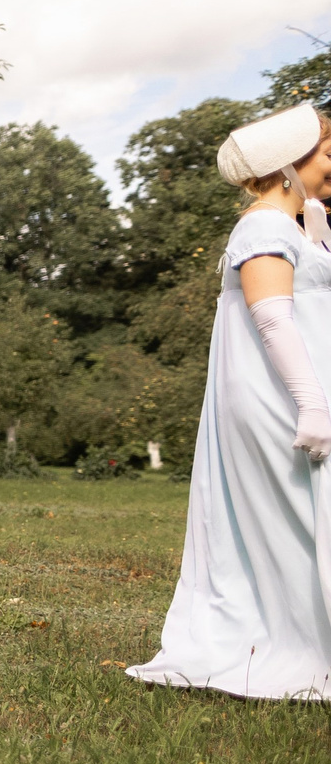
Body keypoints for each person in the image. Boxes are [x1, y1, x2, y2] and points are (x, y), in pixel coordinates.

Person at [131, 103, 331, 700]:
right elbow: (271, 317)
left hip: (296, 393)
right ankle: (296, 645)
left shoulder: (290, 225)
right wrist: (312, 404)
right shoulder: (263, 227)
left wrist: (314, 228)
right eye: (325, 155)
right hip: (281, 399)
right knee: (298, 520)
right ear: (290, 166)